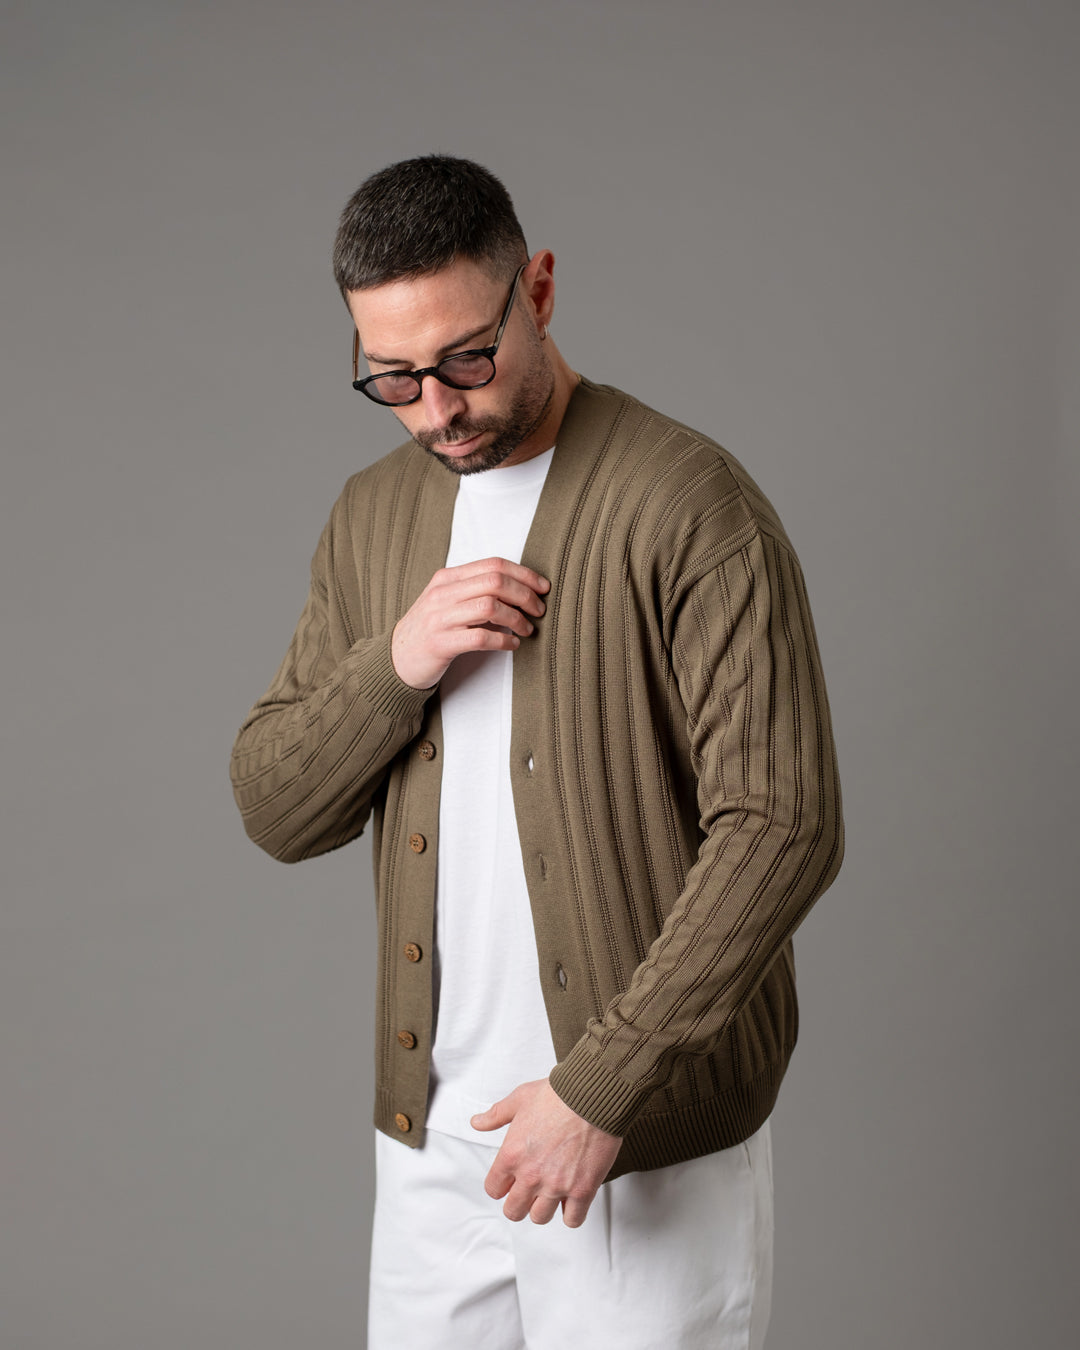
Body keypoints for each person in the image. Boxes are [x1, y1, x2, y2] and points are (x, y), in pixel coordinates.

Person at [230, 155, 843, 1349]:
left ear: (540, 291)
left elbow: (783, 825)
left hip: (637, 1141)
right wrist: (399, 662)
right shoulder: (372, 516)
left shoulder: (689, 504)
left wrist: (600, 1088)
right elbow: (275, 807)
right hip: (434, 1141)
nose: (436, 409)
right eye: (393, 378)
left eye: (467, 358)